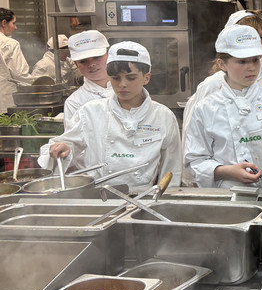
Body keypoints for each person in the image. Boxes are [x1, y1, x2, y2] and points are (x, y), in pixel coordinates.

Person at [39, 41, 181, 193]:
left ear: (146, 78)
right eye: (116, 78)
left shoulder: (163, 116)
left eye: (131, 78)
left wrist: (165, 197)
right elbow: (61, 146)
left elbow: (172, 167)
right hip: (98, 197)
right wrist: (62, 149)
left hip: (144, 197)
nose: (122, 84)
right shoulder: (91, 112)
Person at [180, 10, 262, 184]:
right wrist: (227, 172)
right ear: (222, 64)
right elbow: (194, 160)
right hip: (227, 192)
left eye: (255, 60)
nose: (251, 67)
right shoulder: (206, 107)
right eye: (242, 61)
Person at [63, 30, 113, 129]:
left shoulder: (128, 89)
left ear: (109, 55)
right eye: (83, 61)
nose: (92, 64)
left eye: (97, 57)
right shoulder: (74, 102)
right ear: (76, 64)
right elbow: (73, 137)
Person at [0, 8, 32, 112]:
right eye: (13, 23)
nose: (15, 27)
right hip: (4, 102)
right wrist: (38, 84)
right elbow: (20, 74)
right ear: (4, 23)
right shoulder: (10, 44)